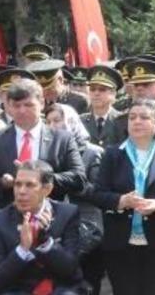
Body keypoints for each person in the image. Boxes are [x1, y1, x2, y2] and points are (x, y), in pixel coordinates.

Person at [93, 99, 155, 295]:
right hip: (121, 244)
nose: (137, 121)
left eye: (144, 117)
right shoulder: (113, 154)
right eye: (132, 117)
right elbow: (98, 194)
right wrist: (121, 201)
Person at [0, 79, 86, 212]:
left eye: (28, 105)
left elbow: (79, 179)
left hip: (50, 216)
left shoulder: (62, 139)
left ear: (41, 103)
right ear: (8, 106)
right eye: (17, 106)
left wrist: (40, 177)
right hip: (5, 217)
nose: (22, 110)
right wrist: (2, 183)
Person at [0, 160, 83, 294]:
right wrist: (22, 250)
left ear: (47, 189)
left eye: (30, 185)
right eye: (18, 184)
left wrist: (46, 243)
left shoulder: (67, 214)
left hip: (60, 288)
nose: (21, 191)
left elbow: (70, 270)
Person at [46, 103, 106, 294]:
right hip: (56, 226)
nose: (52, 126)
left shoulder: (93, 152)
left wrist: (69, 182)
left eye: (57, 120)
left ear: (71, 121)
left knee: (87, 282)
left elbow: (99, 192)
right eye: (48, 122)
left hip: (87, 226)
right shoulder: (47, 152)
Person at [80, 65, 125, 147]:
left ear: (113, 93)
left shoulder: (122, 121)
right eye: (92, 89)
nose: (96, 93)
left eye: (102, 89)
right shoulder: (80, 120)